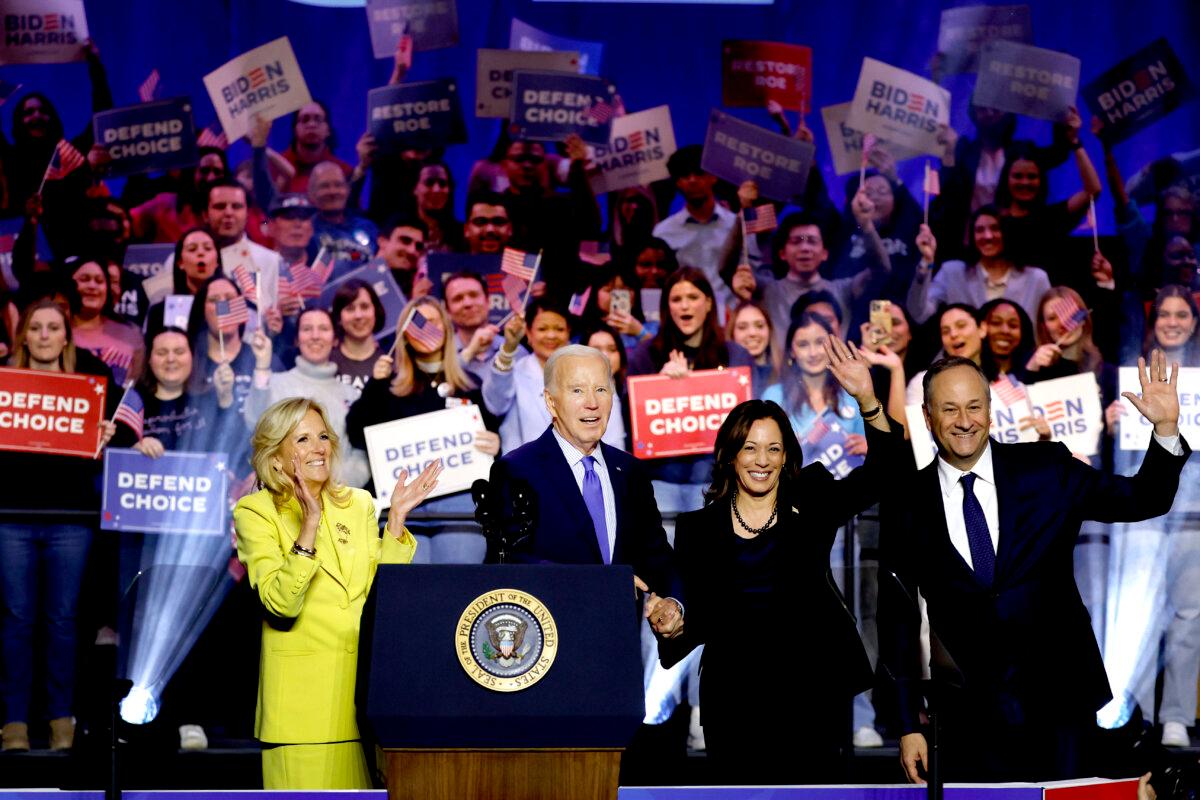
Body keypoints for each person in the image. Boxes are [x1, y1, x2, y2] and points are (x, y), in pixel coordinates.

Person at [883, 353, 1190, 783]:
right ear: (928, 416)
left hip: (1061, 703)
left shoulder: (1047, 469)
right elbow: (896, 621)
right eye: (949, 408)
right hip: (970, 718)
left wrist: (1165, 429)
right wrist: (906, 724)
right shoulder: (907, 503)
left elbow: (1143, 499)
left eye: (974, 406)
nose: (964, 420)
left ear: (990, 411)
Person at [658, 337, 899, 784]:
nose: (762, 460)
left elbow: (886, 474)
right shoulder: (698, 529)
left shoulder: (813, 498)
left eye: (773, 448)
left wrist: (868, 401)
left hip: (812, 695)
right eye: (749, 448)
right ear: (729, 456)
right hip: (732, 701)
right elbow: (693, 613)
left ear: (787, 454)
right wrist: (671, 618)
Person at [234, 397, 440, 788]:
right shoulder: (256, 510)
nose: (318, 448)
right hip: (303, 711)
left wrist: (395, 521)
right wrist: (309, 523)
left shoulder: (358, 503)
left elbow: (382, 599)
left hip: (366, 703)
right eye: (302, 440)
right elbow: (280, 603)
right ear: (275, 458)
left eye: (323, 436)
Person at [486, 344, 682, 631]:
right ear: (551, 402)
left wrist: (674, 602)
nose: (592, 402)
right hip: (550, 640)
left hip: (619, 641)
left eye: (601, 390)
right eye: (577, 390)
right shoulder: (517, 469)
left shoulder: (630, 471)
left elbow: (656, 555)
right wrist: (604, 585)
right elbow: (514, 563)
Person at [0, 299, 124, 752]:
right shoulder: (3, 381)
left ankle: (60, 719)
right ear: (24, 336)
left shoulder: (90, 384)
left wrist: (105, 437)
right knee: (15, 621)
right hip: (11, 518)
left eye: (54, 328)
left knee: (63, 623)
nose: (46, 335)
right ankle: (13, 721)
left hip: (71, 519)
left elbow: (121, 437)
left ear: (66, 337)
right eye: (37, 328)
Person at [346, 297, 499, 563]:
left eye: (432, 321)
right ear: (404, 336)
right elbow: (357, 434)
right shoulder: (387, 387)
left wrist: (496, 445)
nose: (425, 328)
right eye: (417, 323)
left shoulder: (470, 386)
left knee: (457, 593)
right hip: (403, 505)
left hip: (458, 506)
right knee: (410, 596)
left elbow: (491, 445)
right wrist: (374, 384)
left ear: (446, 328)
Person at [243, 309, 368, 488]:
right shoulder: (276, 384)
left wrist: (333, 486)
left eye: (323, 329)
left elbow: (361, 455)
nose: (315, 336)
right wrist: (262, 365)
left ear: (335, 339)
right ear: (297, 339)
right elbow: (253, 422)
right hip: (283, 500)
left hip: (336, 501)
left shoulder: (351, 394)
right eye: (307, 329)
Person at [484, 297, 625, 454]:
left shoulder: (590, 372)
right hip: (525, 473)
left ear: (569, 333)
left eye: (559, 329)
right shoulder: (515, 372)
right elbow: (495, 405)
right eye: (542, 329)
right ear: (528, 334)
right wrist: (508, 349)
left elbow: (612, 436)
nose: (551, 335)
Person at [762, 209, 889, 349]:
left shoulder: (844, 289)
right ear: (782, 253)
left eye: (812, 241)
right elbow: (733, 268)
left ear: (824, 253)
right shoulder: (767, 290)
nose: (805, 248)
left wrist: (866, 226)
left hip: (837, 369)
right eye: (796, 241)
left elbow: (882, 269)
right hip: (779, 370)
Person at [907, 207, 1051, 326]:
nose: (987, 236)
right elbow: (919, 313)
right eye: (979, 230)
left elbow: (1048, 325)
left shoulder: (1036, 279)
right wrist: (926, 262)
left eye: (995, 228)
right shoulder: (953, 273)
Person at [652, 145, 738, 310]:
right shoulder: (663, 232)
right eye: (685, 175)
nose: (692, 180)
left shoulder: (736, 225)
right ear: (677, 182)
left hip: (730, 317)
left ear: (713, 177)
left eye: (699, 173)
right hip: (685, 316)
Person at [308, 161, 378, 267]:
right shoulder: (307, 233)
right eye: (324, 186)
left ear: (347, 190)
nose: (333, 191)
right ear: (311, 193)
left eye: (338, 185)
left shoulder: (368, 227)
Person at [330, 279, 385, 395]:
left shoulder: (391, 362)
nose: (358, 315)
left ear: (376, 311)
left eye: (364, 307)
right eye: (350, 309)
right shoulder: (326, 363)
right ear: (339, 318)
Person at [727, 300, 778, 398]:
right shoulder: (721, 377)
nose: (752, 333)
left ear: (769, 330)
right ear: (732, 334)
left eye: (759, 326)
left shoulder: (784, 375)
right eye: (742, 327)